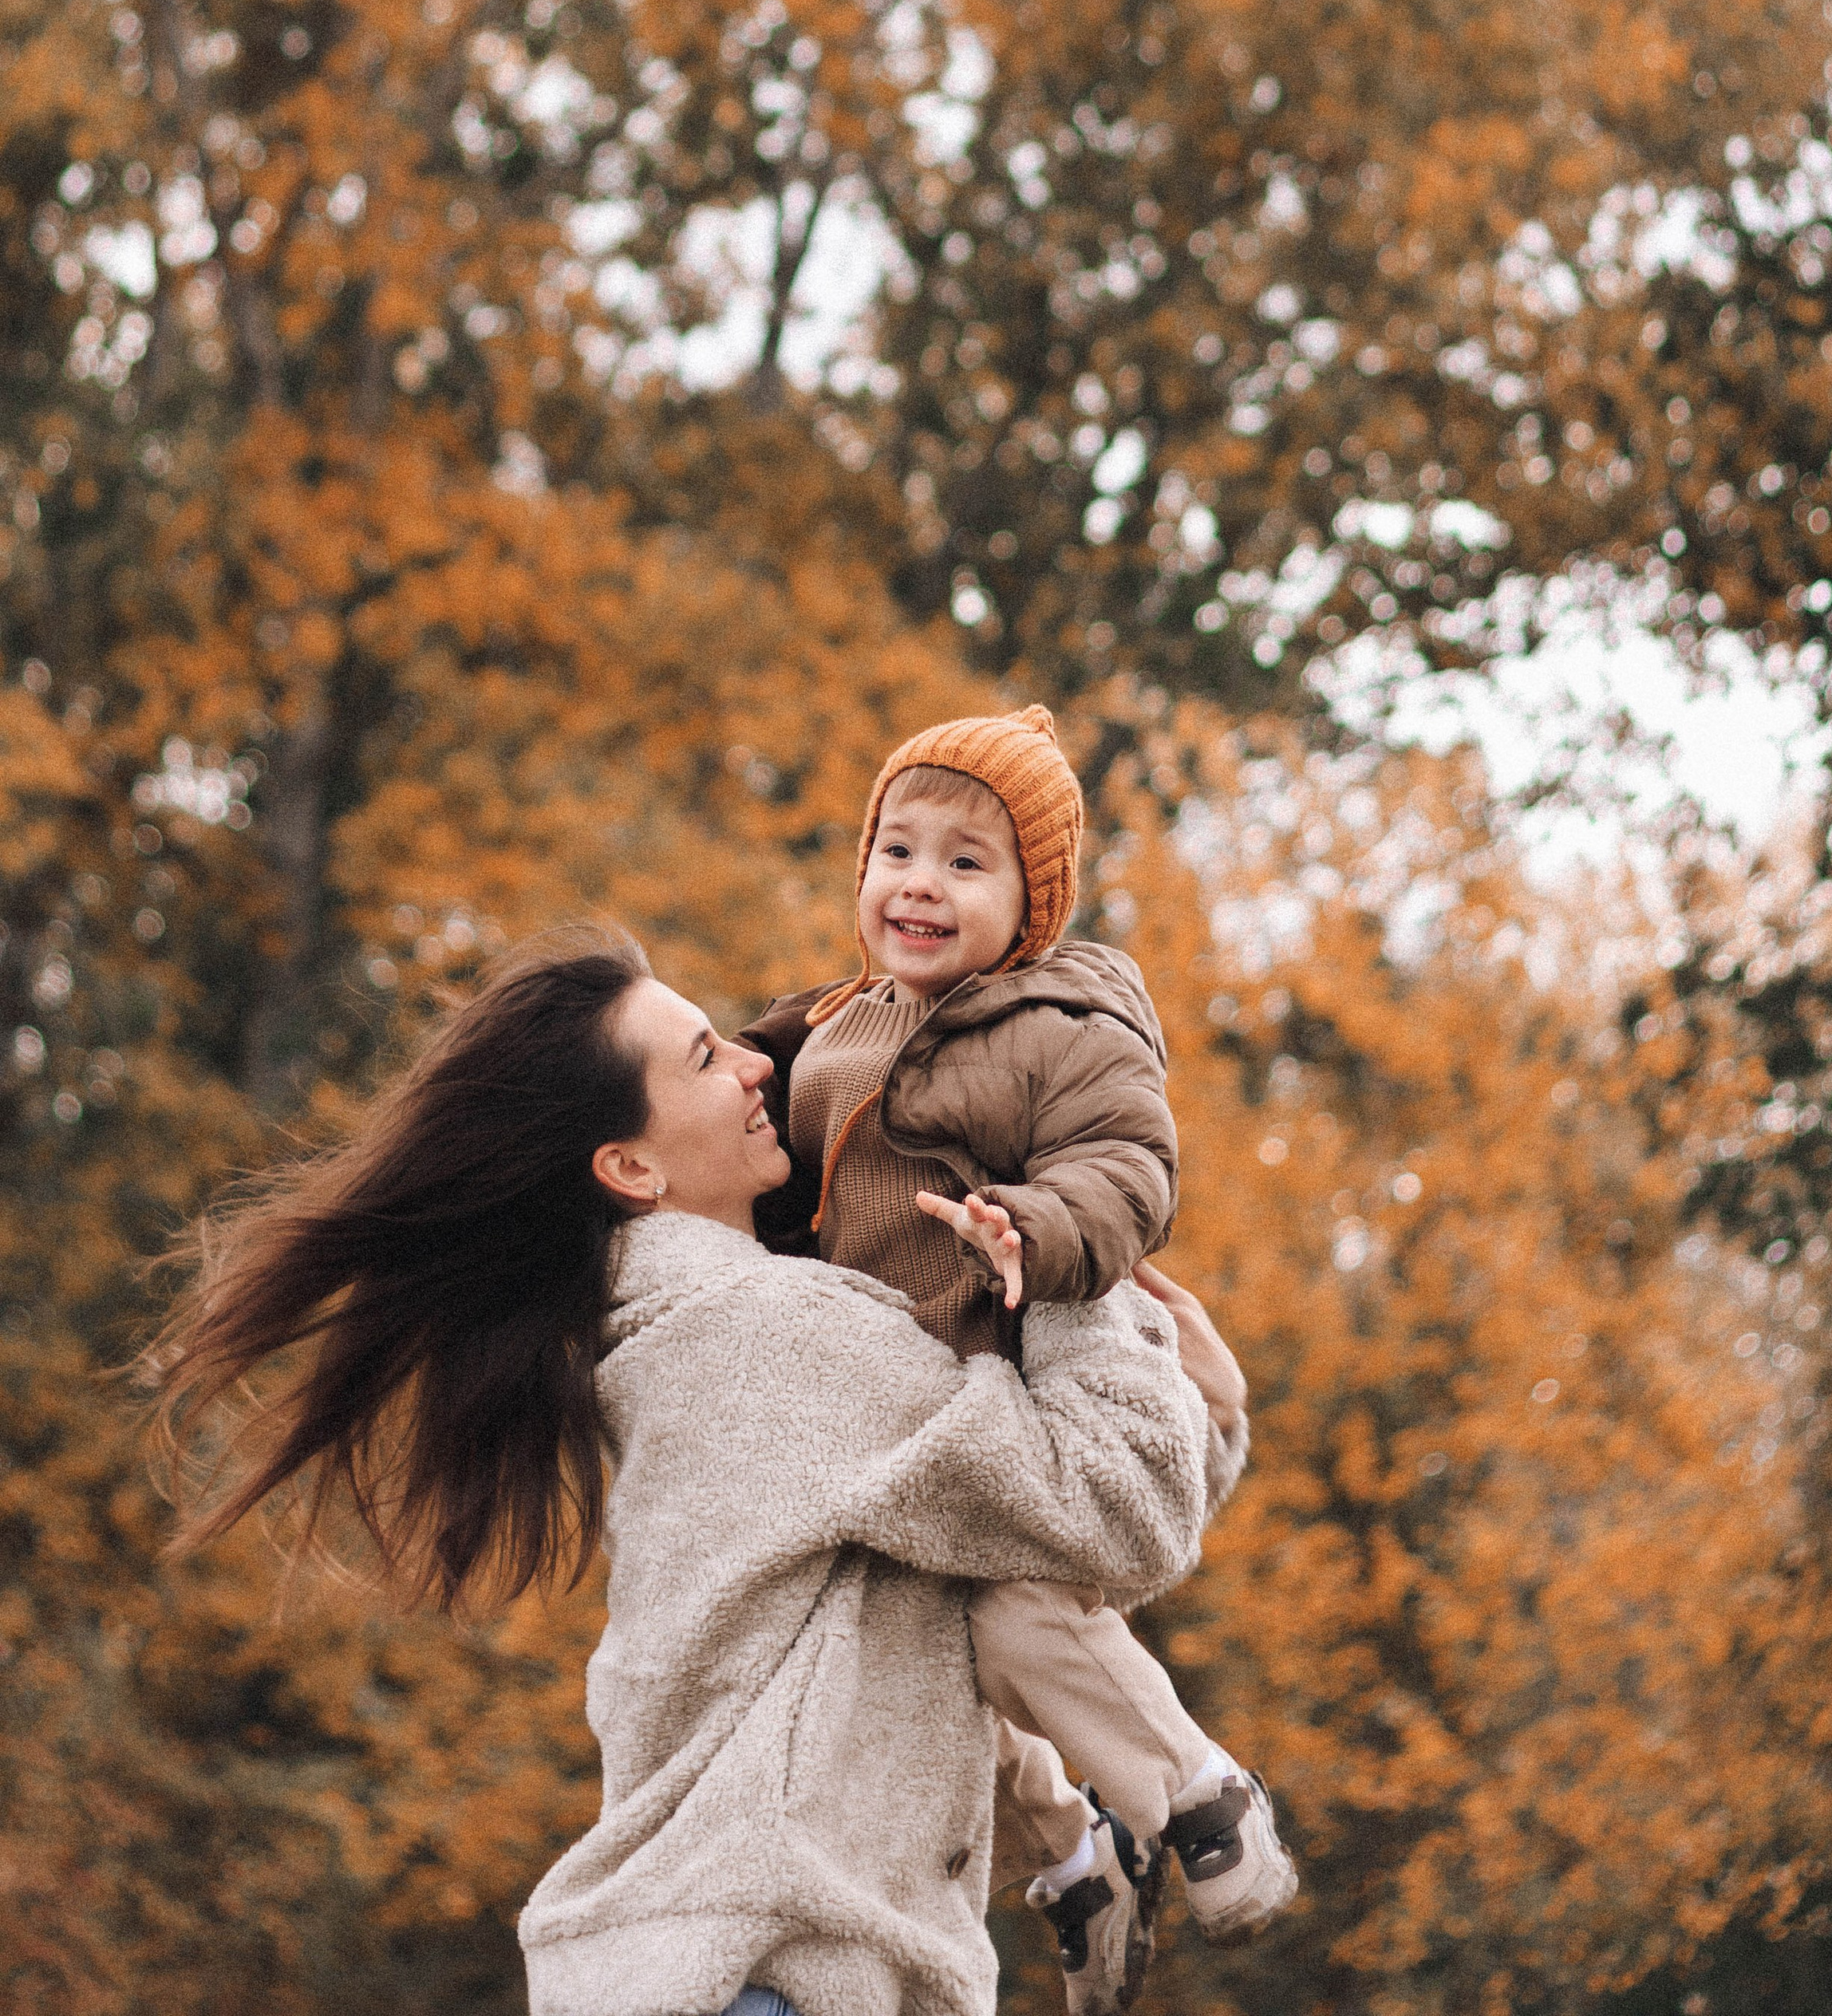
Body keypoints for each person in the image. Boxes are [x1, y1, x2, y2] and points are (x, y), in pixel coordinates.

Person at [150, 920, 1227, 2016]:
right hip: (761, 1984)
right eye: (709, 1059)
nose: (761, 1066)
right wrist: (1078, 1266)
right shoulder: (765, 1339)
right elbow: (1121, 1506)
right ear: (630, 1167)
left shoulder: (682, 1334)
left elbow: (957, 1613)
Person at [742, 708, 1297, 2013]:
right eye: (897, 849)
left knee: (1018, 1619)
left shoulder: (1057, 1022)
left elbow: (1128, 1170)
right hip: (888, 1407)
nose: (919, 884)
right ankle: (1071, 1859)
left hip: (1000, 1380)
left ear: (1032, 906)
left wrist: (1035, 1230)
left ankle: (1199, 1795)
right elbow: (760, 1151)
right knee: (900, 1662)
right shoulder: (829, 1022)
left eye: (966, 863)